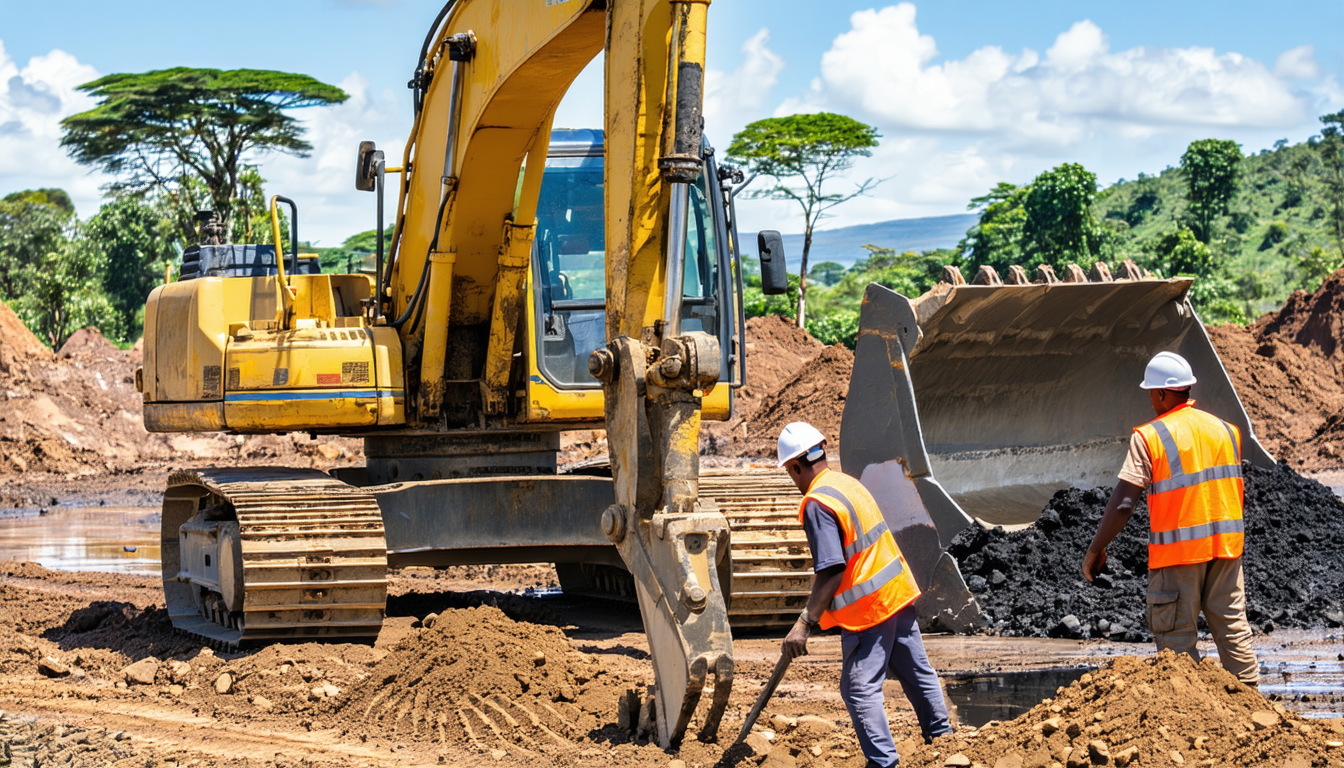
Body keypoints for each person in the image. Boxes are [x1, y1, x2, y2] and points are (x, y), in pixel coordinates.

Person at [777, 422, 953, 767]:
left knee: (859, 688)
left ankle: (883, 762)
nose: (792, 479)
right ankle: (944, 742)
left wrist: (804, 622)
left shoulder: (817, 503)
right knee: (916, 671)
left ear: (796, 466)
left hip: (868, 609)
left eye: (790, 472)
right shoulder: (844, 483)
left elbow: (831, 568)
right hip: (895, 593)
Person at [1082, 351, 1258, 685]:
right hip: (1226, 550)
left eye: (1151, 393)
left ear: (1162, 393)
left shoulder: (1150, 436)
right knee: (1234, 631)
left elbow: (1123, 504)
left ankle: (1188, 723)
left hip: (1178, 556)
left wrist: (1096, 549)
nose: (1149, 400)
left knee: (1177, 645)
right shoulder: (1226, 430)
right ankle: (1253, 713)